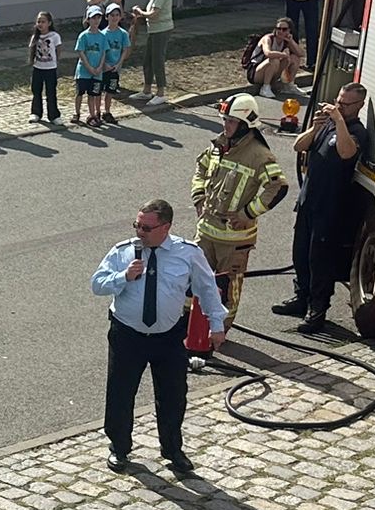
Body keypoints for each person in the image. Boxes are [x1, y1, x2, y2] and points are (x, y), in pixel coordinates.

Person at [92, 199, 229, 476]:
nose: (139, 232)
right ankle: (119, 447)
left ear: (166, 227)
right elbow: (97, 284)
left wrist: (217, 325)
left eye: (146, 228)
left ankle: (173, 449)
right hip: (127, 335)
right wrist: (123, 277)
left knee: (173, 395)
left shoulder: (187, 253)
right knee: (120, 393)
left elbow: (207, 288)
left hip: (168, 337)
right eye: (137, 225)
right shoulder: (123, 251)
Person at [188, 93, 288, 360]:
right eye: (224, 120)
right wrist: (199, 196)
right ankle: (188, 327)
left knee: (227, 288)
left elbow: (278, 187)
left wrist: (248, 213)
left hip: (234, 239)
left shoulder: (259, 155)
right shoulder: (219, 145)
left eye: (231, 121)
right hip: (206, 230)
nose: (226, 125)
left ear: (245, 124)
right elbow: (201, 168)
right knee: (192, 279)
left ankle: (218, 334)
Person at [279, 82, 373, 333]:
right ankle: (301, 298)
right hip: (309, 200)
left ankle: (317, 310)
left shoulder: (356, 131)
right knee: (300, 254)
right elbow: (299, 145)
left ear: (359, 105)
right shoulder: (328, 124)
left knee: (319, 260)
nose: (339, 106)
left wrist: (339, 121)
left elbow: (346, 152)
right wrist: (315, 127)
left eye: (346, 104)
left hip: (331, 207)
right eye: (338, 101)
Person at [130, 0, 174, 104]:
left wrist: (140, 12)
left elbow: (154, 14)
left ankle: (160, 93)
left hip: (161, 30)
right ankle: (147, 90)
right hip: (154, 30)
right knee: (148, 61)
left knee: (157, 61)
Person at [74, 7, 110, 128]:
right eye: (93, 18)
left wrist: (99, 67)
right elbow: (81, 52)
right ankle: (77, 113)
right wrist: (89, 67)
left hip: (97, 71)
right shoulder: (83, 36)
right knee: (80, 93)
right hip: (84, 71)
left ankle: (92, 115)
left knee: (92, 94)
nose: (96, 20)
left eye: (98, 18)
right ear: (88, 19)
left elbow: (103, 52)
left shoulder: (102, 36)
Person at [251, 19, 303, 97]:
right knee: (274, 59)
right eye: (278, 28)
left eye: (284, 29)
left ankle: (288, 86)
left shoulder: (286, 41)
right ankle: (265, 87)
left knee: (295, 58)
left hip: (273, 72)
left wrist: (291, 41)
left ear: (289, 30)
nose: (281, 31)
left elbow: (301, 54)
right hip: (256, 72)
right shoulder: (268, 38)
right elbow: (268, 53)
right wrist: (283, 55)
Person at [29, 11, 63, 125]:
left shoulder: (54, 36)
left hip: (50, 69)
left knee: (51, 92)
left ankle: (54, 115)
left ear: (49, 23)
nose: (40, 24)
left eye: (43, 22)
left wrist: (56, 61)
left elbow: (58, 49)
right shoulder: (35, 37)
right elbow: (32, 50)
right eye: (38, 21)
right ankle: (36, 112)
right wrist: (32, 61)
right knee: (36, 90)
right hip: (38, 68)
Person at [100, 4, 131, 124]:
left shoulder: (123, 33)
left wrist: (119, 63)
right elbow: (101, 52)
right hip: (104, 67)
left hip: (115, 67)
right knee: (98, 91)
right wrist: (104, 64)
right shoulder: (103, 34)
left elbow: (125, 50)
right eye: (112, 15)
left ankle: (107, 111)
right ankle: (97, 111)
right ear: (107, 17)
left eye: (117, 15)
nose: (114, 18)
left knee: (110, 91)